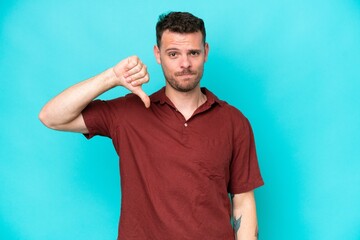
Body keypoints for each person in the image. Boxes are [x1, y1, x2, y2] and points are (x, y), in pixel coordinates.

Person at [39, 11, 264, 240]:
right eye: (173, 54)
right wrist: (112, 78)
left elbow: (243, 202)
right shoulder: (128, 113)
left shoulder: (234, 122)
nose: (185, 64)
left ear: (205, 52)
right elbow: (51, 116)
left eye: (193, 53)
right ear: (158, 54)